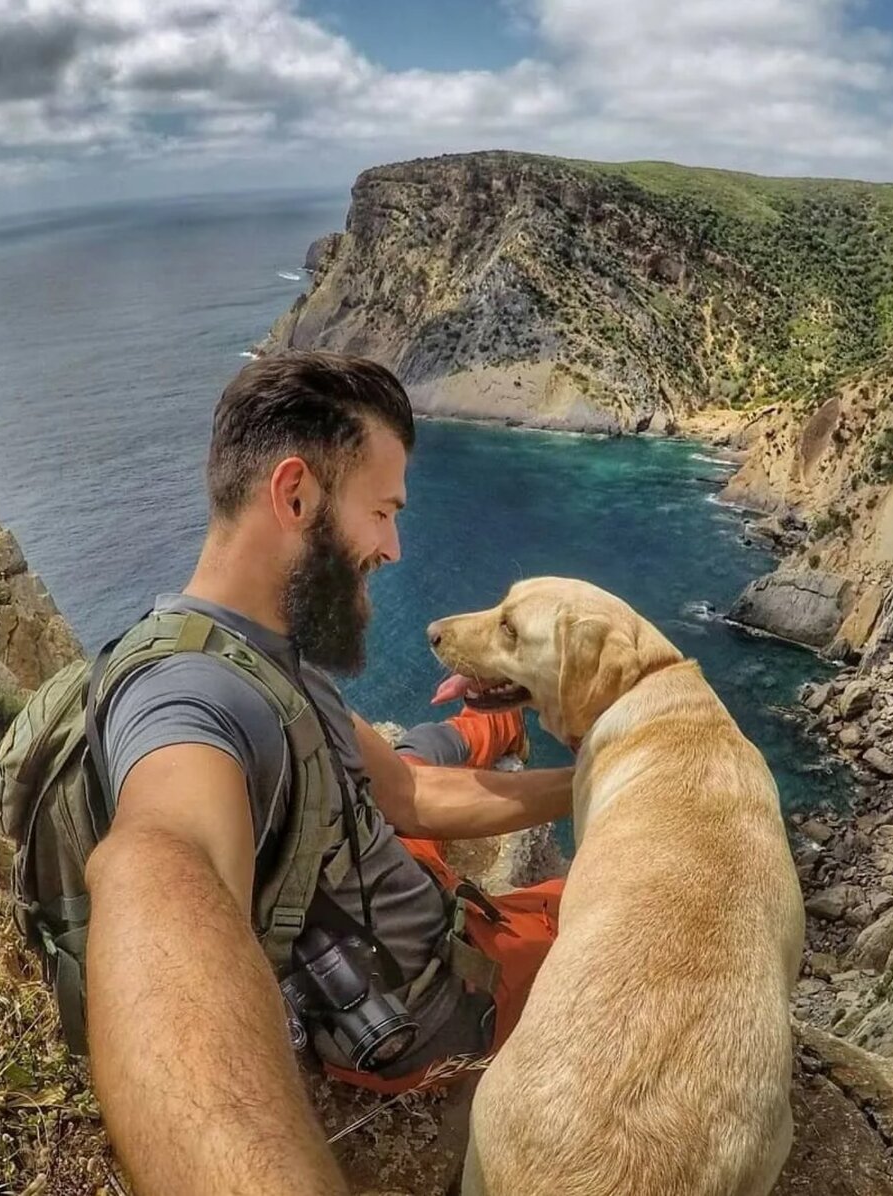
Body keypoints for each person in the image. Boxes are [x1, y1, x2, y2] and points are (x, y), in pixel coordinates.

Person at [84, 351, 573, 1195]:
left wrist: (600, 775)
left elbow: (407, 792)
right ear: (296, 495)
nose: (393, 547)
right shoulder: (188, 698)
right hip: (435, 1012)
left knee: (439, 748)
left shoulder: (256, 651)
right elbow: (159, 869)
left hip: (426, 933)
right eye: (382, 512)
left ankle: (482, 726)